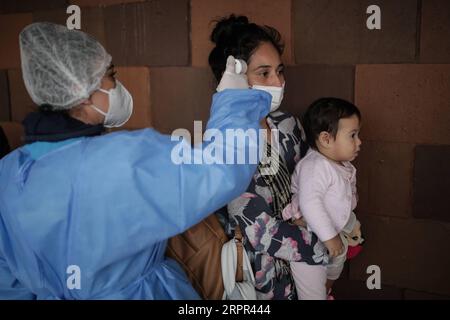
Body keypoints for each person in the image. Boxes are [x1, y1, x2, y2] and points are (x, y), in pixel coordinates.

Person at [0, 22, 271, 299]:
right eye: (111, 76)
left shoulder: (8, 173)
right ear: (78, 90)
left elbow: (7, 281)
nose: (117, 86)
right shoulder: (122, 161)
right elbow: (221, 170)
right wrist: (235, 102)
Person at [208, 15, 328, 300]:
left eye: (280, 71)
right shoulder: (225, 142)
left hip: (307, 270)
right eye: (264, 73)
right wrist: (325, 249)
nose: (278, 82)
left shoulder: (288, 124)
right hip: (263, 279)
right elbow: (259, 232)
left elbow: (311, 185)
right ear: (235, 77)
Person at [282, 97, 363, 300]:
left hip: (330, 233)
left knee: (337, 261)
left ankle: (326, 289)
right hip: (306, 238)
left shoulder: (338, 164)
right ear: (326, 139)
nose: (359, 141)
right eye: (352, 135)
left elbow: (342, 198)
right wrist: (330, 237)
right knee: (312, 287)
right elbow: (311, 203)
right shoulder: (315, 166)